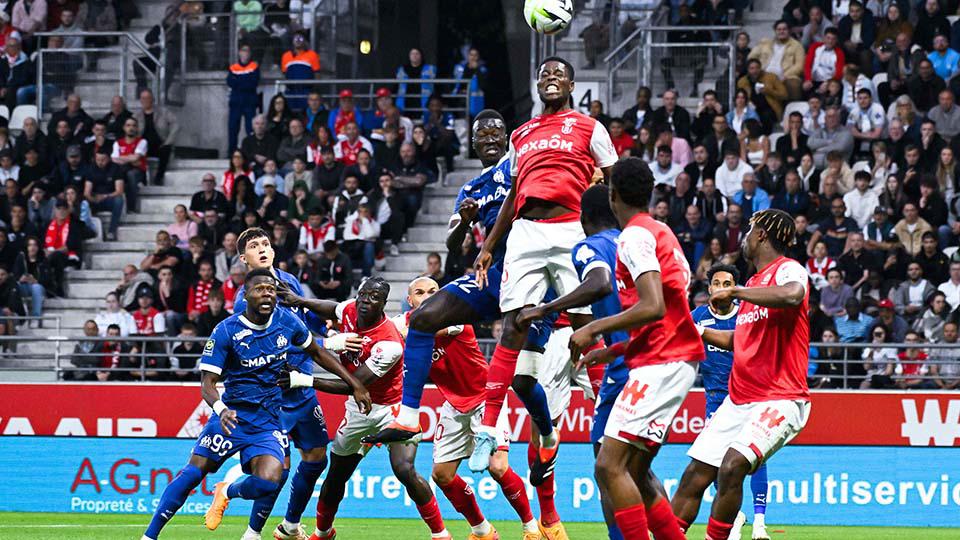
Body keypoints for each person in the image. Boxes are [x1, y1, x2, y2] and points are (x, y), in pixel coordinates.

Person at [360, 110, 569, 535]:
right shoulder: (471, 189)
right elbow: (453, 242)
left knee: (525, 383)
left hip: (535, 277)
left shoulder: (518, 164)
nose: (490, 137)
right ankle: (409, 413)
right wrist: (468, 221)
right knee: (424, 318)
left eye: (497, 131)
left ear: (507, 139)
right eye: (482, 134)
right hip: (492, 277)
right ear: (473, 144)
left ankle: (546, 438)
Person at [140, 268, 369, 540]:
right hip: (232, 415)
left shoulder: (287, 321)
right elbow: (207, 384)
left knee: (269, 481)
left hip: (266, 422)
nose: (267, 294)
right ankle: (149, 536)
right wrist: (221, 409)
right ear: (245, 295)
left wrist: (355, 384)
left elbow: (317, 352)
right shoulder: (226, 330)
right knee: (193, 472)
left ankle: (227, 491)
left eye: (271, 290)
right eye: (260, 289)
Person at [564, 157, 701, 540]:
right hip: (668, 356)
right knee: (635, 473)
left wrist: (593, 327)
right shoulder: (663, 232)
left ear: (613, 195)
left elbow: (652, 304)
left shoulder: (635, 236)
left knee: (608, 466)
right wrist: (615, 350)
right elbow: (668, 311)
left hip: (663, 361)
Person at [277, 278, 451, 540]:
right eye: (363, 295)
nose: (366, 301)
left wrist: (303, 379)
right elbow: (331, 307)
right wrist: (298, 300)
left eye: (374, 297)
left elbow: (354, 385)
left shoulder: (388, 343)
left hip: (393, 409)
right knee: (335, 476)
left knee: (404, 470)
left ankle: (440, 534)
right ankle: (323, 533)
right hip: (359, 413)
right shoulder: (350, 309)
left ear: (383, 304)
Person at [672, 209, 810, 539]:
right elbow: (739, 340)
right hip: (739, 401)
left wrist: (734, 293)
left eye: (749, 232)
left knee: (732, 466)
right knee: (694, 475)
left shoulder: (786, 269)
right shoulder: (752, 286)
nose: (744, 239)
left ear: (762, 235)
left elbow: (793, 295)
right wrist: (699, 332)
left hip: (781, 398)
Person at [230, 228, 368, 540]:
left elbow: (305, 321)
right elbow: (276, 341)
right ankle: (250, 530)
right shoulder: (245, 301)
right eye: (254, 246)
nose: (262, 249)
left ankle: (290, 527)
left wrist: (328, 331)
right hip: (272, 392)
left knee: (317, 456)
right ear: (244, 258)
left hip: (302, 388)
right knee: (276, 470)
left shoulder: (288, 281)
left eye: (265, 243)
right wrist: (328, 345)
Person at [511, 184, 629, 540]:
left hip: (601, 337)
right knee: (544, 425)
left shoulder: (604, 239)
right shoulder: (548, 230)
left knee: (616, 432)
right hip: (559, 338)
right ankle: (549, 520)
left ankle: (627, 521)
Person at [689, 264, 771, 538]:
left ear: (735, 289)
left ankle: (759, 523)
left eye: (728, 283)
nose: (722, 288)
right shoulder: (697, 318)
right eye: (717, 283)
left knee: (755, 458)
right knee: (715, 462)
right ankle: (734, 517)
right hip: (715, 399)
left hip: (751, 397)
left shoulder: (748, 316)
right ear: (709, 288)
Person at [133, 89, 177, 185]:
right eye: (143, 98)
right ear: (140, 100)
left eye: (148, 98)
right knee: (137, 152)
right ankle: (142, 179)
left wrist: (169, 141)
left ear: (152, 99)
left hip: (160, 144)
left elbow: (176, 125)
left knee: (166, 149)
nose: (145, 100)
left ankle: (159, 177)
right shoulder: (136, 116)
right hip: (143, 146)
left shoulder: (163, 112)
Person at [227, 44, 261, 154]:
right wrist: (244, 82)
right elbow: (230, 82)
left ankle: (251, 152)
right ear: (239, 52)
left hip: (249, 102)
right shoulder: (233, 67)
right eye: (243, 50)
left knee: (250, 129)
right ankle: (231, 152)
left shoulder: (254, 66)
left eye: (247, 50)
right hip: (236, 102)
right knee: (233, 128)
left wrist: (239, 83)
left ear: (250, 53)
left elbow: (253, 83)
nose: (245, 53)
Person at [111, 117, 145, 213]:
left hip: (138, 171)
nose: (131, 128)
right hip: (122, 170)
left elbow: (136, 158)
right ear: (124, 128)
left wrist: (122, 158)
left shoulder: (142, 142)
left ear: (137, 128)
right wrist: (130, 158)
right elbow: (113, 159)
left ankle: (131, 207)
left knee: (131, 174)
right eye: (128, 125)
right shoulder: (117, 143)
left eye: (134, 126)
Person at [280, 31, 320, 111]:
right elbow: (284, 74)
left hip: (306, 91)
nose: (298, 40)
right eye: (296, 38)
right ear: (292, 41)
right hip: (291, 91)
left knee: (305, 113)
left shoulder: (312, 55)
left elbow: (317, 74)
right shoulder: (286, 56)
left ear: (305, 41)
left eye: (300, 38)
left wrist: (315, 91)